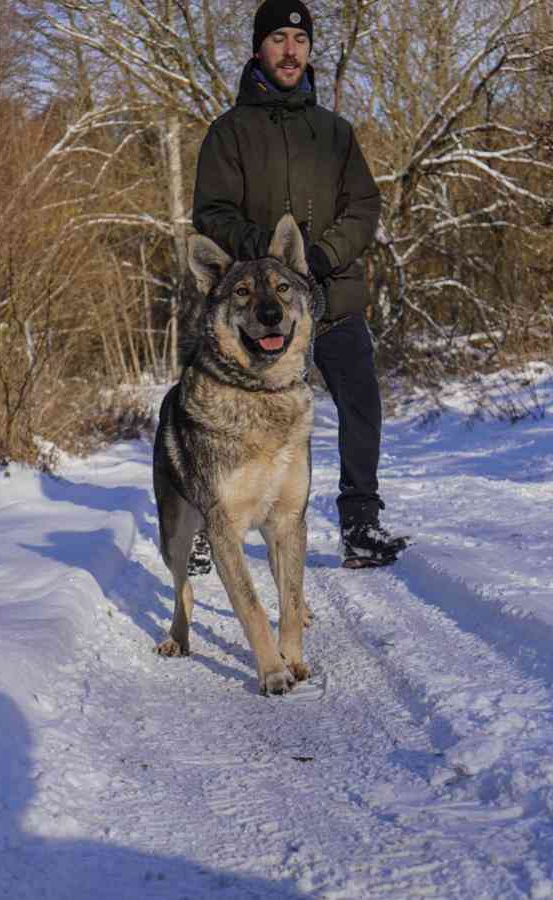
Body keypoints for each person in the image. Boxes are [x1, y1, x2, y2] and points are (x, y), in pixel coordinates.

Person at [188, 0, 407, 571]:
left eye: (300, 40)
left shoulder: (335, 132)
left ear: (310, 50)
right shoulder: (229, 132)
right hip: (260, 310)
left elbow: (364, 204)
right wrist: (272, 255)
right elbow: (211, 213)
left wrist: (323, 256)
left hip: (334, 296)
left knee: (361, 404)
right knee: (230, 416)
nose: (290, 50)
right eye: (279, 38)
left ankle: (360, 524)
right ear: (260, 47)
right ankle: (211, 518)